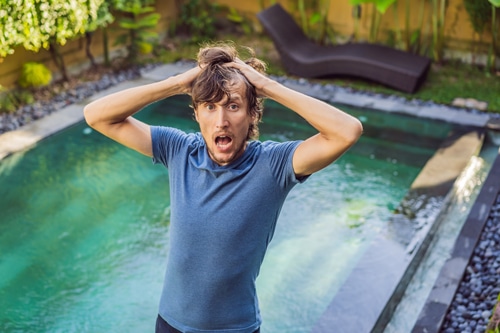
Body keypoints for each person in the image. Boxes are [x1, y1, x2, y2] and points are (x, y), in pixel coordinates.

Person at [83, 42, 363, 333]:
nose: (221, 121)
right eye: (209, 106)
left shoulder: (274, 165)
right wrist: (177, 83)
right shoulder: (179, 151)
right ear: (197, 114)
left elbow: (347, 131)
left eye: (233, 106)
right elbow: (97, 115)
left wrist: (266, 87)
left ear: (252, 114)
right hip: (170, 325)